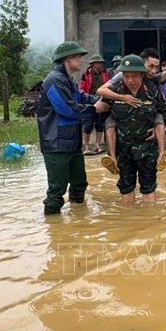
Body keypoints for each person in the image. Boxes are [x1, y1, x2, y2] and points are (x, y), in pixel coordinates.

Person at [37, 41, 106, 214]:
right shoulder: (53, 80)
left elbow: (81, 96)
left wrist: (98, 99)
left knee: (79, 184)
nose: (82, 61)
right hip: (56, 143)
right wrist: (94, 109)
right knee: (57, 190)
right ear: (68, 59)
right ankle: (54, 230)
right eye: (79, 57)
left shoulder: (67, 79)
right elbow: (66, 109)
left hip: (71, 142)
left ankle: (78, 221)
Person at [97, 38, 166, 175]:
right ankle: (112, 158)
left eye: (156, 67)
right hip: (120, 116)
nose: (153, 70)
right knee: (109, 120)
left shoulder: (152, 82)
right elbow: (101, 90)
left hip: (146, 124)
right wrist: (122, 98)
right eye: (150, 66)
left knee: (158, 117)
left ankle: (162, 154)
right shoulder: (123, 76)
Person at [102, 55, 166, 203]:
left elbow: (164, 111)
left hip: (147, 149)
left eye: (135, 76)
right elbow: (101, 105)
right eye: (126, 76)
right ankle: (129, 222)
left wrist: (161, 131)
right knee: (126, 189)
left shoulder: (152, 90)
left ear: (142, 75)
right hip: (123, 150)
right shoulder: (116, 90)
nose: (130, 80)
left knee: (148, 188)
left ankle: (162, 155)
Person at [79, 54, 109, 155]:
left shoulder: (105, 73)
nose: (100, 65)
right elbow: (82, 89)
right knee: (88, 125)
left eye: (101, 63)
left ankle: (97, 145)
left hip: (101, 100)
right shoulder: (86, 74)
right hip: (89, 101)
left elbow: (108, 85)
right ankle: (86, 147)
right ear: (93, 64)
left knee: (100, 124)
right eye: (98, 63)